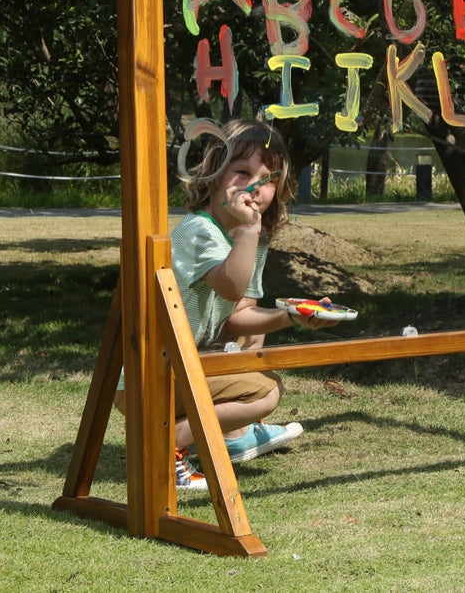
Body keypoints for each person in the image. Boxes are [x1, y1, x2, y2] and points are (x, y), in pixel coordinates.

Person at [117, 118, 336, 490]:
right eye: (242, 171)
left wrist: (292, 317)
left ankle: (225, 436)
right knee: (266, 391)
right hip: (150, 374)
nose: (254, 185)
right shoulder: (200, 229)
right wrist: (249, 231)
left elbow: (239, 316)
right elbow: (233, 287)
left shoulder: (252, 237)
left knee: (263, 377)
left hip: (180, 365)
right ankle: (166, 444)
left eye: (268, 178)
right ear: (214, 174)